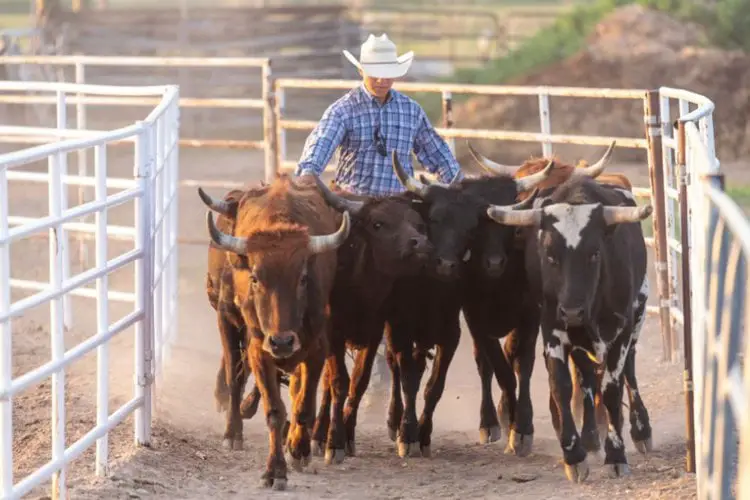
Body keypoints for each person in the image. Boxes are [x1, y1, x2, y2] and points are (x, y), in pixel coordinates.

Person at [294, 33, 462, 409]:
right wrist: (307, 182)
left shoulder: (410, 111)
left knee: (429, 271)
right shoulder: (344, 110)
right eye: (376, 73)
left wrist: (459, 188)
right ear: (363, 71)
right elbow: (315, 155)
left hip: (401, 210)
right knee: (327, 277)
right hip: (355, 209)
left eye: (389, 73)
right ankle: (304, 342)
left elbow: (438, 156)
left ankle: (407, 353)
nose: (382, 79)